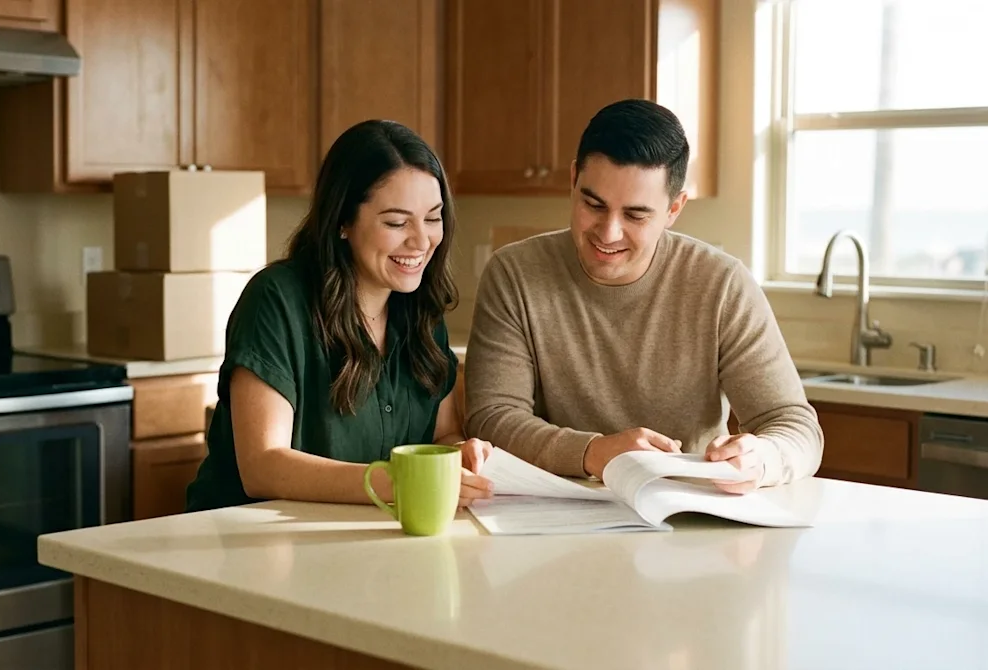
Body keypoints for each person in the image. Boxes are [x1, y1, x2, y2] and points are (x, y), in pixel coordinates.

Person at [464, 99, 823, 493]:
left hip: (689, 514)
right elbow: (492, 417)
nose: (609, 232)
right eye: (593, 204)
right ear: (572, 180)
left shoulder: (722, 285)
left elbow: (796, 426)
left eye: (635, 215)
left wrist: (764, 458)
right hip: (560, 511)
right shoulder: (515, 274)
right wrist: (594, 452)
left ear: (674, 209)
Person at [186, 119, 494, 512]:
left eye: (433, 218)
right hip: (246, 546)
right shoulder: (275, 300)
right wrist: (393, 483)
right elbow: (262, 466)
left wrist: (459, 456)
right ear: (343, 222)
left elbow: (444, 432)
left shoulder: (421, 308)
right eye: (397, 222)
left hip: (359, 545)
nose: (421, 240)